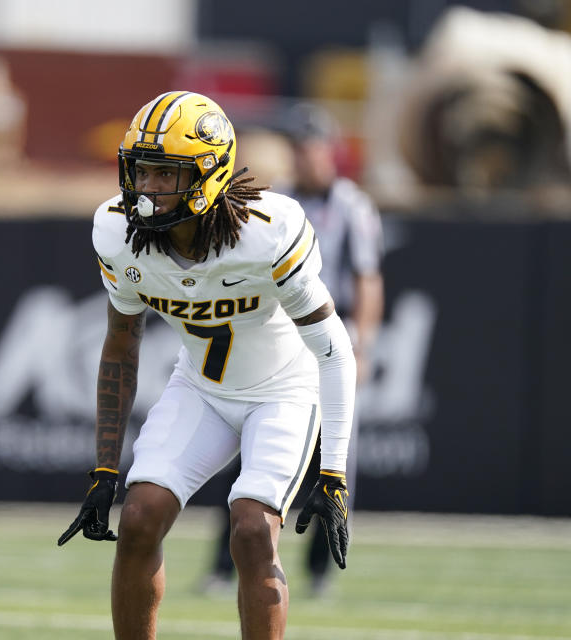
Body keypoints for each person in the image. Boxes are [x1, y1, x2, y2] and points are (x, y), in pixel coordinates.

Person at [57, 90, 357, 640]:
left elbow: (333, 348)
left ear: (209, 173)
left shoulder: (266, 232)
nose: (146, 190)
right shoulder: (120, 235)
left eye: (164, 175)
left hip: (283, 390)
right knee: (140, 517)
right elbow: (121, 344)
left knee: (251, 529)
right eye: (140, 173)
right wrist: (105, 469)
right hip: (201, 386)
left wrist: (333, 472)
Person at [202, 101, 384, 597]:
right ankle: (224, 566)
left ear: (328, 150)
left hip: (329, 338)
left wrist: (361, 345)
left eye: (309, 147)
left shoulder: (352, 206)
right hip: (281, 342)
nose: (303, 157)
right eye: (297, 148)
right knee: (251, 453)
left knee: (334, 460)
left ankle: (322, 572)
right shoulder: (277, 200)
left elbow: (368, 280)